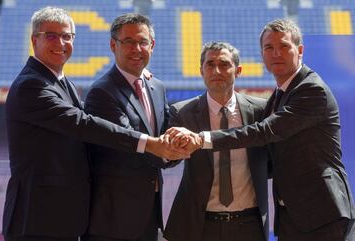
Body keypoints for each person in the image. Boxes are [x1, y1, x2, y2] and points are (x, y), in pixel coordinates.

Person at [2, 7, 186, 241]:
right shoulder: (32, 85)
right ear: (34, 40)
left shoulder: (60, 81)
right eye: (51, 36)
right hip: (37, 218)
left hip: (62, 217)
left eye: (67, 36)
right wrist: (149, 143)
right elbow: (82, 123)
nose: (60, 42)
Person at [166, 19, 355, 241]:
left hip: (322, 214)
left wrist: (202, 139)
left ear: (300, 50)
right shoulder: (279, 95)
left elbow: (264, 132)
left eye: (284, 46)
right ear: (262, 55)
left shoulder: (311, 90)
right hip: (291, 218)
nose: (276, 53)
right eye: (269, 48)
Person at [163, 42, 270, 241]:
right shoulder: (183, 113)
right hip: (200, 225)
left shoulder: (260, 111)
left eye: (224, 64)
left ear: (238, 71)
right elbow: (168, 160)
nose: (217, 70)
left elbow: (274, 161)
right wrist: (172, 148)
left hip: (250, 225)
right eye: (210, 64)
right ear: (201, 71)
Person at [82, 13, 169, 241]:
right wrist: (167, 150)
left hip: (150, 215)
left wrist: (177, 147)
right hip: (113, 222)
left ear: (153, 45)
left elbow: (164, 136)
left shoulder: (157, 87)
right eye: (128, 42)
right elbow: (126, 143)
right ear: (113, 45)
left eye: (143, 42)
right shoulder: (101, 92)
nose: (136, 49)